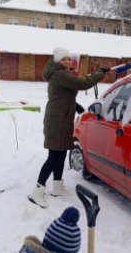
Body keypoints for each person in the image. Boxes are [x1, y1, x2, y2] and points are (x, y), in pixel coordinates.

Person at [28, 47, 108, 208]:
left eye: (68, 59)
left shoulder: (60, 74)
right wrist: (100, 73)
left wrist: (76, 106)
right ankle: (37, 192)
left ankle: (57, 187)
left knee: (62, 153)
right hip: (57, 121)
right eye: (63, 59)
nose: (67, 61)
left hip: (62, 119)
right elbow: (83, 83)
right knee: (54, 157)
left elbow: (63, 95)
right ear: (57, 60)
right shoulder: (59, 74)